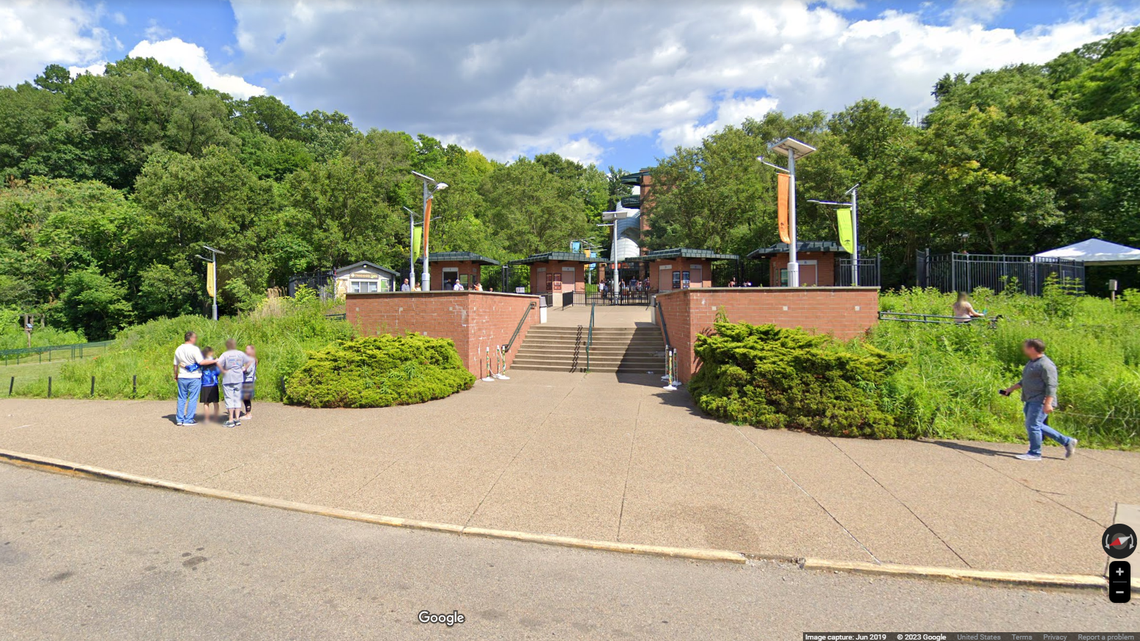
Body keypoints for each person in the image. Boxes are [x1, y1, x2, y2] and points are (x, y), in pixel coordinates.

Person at [1002, 339, 1077, 461]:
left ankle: (1035, 453)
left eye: (1025, 347)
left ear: (1032, 348)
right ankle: (1067, 441)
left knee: (1033, 425)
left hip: (1040, 400)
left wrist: (1047, 404)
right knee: (1035, 425)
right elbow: (1025, 381)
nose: (1023, 349)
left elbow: (1051, 385)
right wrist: (1011, 389)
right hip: (1030, 399)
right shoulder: (1032, 362)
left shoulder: (1046, 365)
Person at [173, 331, 214, 426]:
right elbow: (201, 362)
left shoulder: (178, 349)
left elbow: (175, 364)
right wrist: (213, 361)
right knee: (192, 398)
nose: (196, 339)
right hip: (194, 376)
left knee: (181, 398)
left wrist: (176, 374)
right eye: (195, 337)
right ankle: (188, 419)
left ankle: (179, 419)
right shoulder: (195, 349)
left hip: (182, 376)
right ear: (191, 338)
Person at [218, 339, 251, 428]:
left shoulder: (225, 354)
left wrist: (223, 370)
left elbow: (218, 363)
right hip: (239, 377)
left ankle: (230, 419)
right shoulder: (240, 353)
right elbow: (249, 360)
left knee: (229, 398)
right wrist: (244, 368)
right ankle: (237, 418)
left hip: (228, 377)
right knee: (237, 398)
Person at [199, 347, 221, 423]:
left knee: (206, 403)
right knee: (215, 402)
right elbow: (218, 372)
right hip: (214, 383)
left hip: (205, 383)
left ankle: (207, 418)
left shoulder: (202, 362)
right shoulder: (215, 361)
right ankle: (215, 418)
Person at [240, 344, 258, 421]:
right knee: (245, 398)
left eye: (247, 349)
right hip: (246, 380)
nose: (246, 350)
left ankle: (248, 414)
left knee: (246, 398)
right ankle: (247, 413)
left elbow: (248, 370)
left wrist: (243, 368)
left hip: (248, 380)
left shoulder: (251, 359)